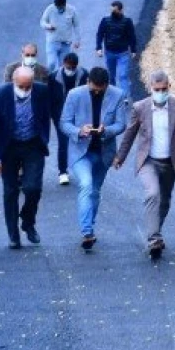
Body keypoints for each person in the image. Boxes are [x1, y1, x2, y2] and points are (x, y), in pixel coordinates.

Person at [113, 70, 175, 259]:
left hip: (170, 162)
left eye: (163, 88)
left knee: (165, 201)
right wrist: (121, 156)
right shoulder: (140, 107)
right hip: (148, 161)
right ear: (151, 88)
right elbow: (130, 133)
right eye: (156, 89)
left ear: (169, 87)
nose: (160, 92)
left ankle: (155, 231)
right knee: (153, 193)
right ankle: (154, 238)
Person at [60, 67, 128, 251]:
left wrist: (107, 130)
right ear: (88, 82)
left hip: (103, 151)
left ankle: (90, 225)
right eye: (94, 88)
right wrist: (79, 131)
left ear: (107, 85)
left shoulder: (118, 95)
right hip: (81, 151)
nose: (97, 92)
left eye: (101, 89)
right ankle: (87, 231)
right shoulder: (74, 95)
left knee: (95, 191)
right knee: (86, 185)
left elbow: (121, 124)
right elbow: (64, 123)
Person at [0, 66, 53, 249]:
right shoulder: (0, 94)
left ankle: (28, 221)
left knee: (33, 188)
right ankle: (13, 235)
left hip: (33, 144)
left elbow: (47, 114)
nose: (25, 90)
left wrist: (44, 137)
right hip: (9, 147)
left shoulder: (41, 91)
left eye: (28, 87)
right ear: (13, 82)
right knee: (10, 191)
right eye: (21, 87)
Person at [50, 53, 89, 185]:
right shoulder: (53, 77)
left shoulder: (84, 75)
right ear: (63, 63)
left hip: (78, 114)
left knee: (80, 140)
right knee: (63, 142)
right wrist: (52, 115)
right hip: (60, 115)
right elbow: (49, 98)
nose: (70, 70)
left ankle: (82, 169)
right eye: (68, 67)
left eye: (73, 68)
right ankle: (62, 172)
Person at [95, 0, 137, 99]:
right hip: (109, 52)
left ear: (121, 10)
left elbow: (132, 36)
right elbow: (100, 34)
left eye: (115, 10)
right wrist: (98, 48)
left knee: (123, 76)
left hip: (123, 53)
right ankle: (112, 96)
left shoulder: (127, 22)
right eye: (112, 10)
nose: (113, 12)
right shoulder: (105, 21)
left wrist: (134, 50)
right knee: (111, 76)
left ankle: (125, 97)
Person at [40, 0, 80, 71]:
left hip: (66, 43)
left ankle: (59, 81)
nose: (59, 9)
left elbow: (76, 26)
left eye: (61, 7)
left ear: (65, 4)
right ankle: (49, 80)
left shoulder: (72, 10)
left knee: (63, 66)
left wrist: (77, 40)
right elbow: (42, 22)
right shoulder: (50, 9)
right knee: (51, 63)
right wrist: (48, 26)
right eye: (57, 7)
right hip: (52, 42)